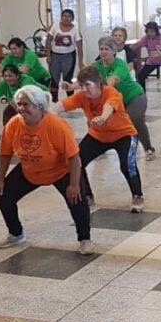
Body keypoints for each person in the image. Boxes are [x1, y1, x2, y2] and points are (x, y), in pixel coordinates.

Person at [0, 85, 92, 255]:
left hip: (61, 170)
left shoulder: (56, 125)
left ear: (39, 106)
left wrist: (74, 185)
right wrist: (0, 179)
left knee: (77, 200)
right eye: (19, 104)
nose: (21, 108)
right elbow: (5, 154)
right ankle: (16, 234)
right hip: (30, 170)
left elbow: (74, 157)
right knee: (3, 195)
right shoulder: (14, 124)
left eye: (26, 104)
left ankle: (85, 239)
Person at [58, 66, 144, 213]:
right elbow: (60, 106)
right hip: (98, 135)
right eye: (81, 86)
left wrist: (103, 117)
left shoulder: (111, 92)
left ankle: (137, 196)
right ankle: (87, 195)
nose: (84, 89)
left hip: (124, 135)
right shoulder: (81, 96)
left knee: (127, 165)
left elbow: (109, 106)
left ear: (98, 83)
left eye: (88, 85)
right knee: (76, 161)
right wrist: (41, 110)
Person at [91, 36, 155, 160]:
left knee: (133, 121)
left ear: (114, 51)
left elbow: (113, 80)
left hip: (134, 96)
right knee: (95, 119)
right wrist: (71, 85)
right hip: (116, 101)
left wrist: (102, 90)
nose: (103, 52)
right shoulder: (96, 65)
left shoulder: (120, 64)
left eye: (107, 49)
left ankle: (146, 149)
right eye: (101, 49)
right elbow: (85, 78)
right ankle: (100, 145)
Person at [45, 8, 83, 102]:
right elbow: (48, 40)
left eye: (69, 16)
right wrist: (48, 56)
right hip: (54, 57)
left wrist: (80, 62)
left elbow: (79, 47)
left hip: (69, 57)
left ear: (72, 18)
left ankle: (70, 103)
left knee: (67, 80)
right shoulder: (55, 26)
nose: (66, 18)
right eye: (64, 16)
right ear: (61, 17)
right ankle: (54, 103)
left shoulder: (75, 29)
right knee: (54, 81)